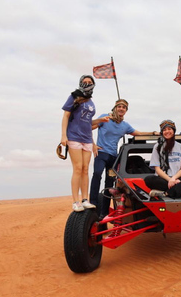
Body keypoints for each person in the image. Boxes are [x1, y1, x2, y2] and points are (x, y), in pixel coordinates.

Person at [90, 99, 159, 218]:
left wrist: (153, 132)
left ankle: (104, 212)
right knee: (97, 174)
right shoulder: (105, 117)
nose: (121, 108)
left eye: (124, 107)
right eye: (119, 106)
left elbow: (139, 133)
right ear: (115, 108)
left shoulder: (125, 125)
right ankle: (93, 204)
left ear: (126, 111)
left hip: (113, 156)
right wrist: (92, 145)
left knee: (109, 183)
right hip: (101, 153)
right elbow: (88, 126)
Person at [61, 75, 108, 212]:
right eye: (84, 82)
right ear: (80, 83)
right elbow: (66, 116)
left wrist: (100, 121)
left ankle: (85, 199)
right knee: (77, 168)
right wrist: (63, 135)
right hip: (74, 137)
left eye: (90, 82)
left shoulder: (91, 102)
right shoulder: (74, 97)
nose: (87, 84)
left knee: (86, 169)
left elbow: (88, 123)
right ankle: (75, 201)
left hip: (87, 139)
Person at [145, 120, 181, 199]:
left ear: (173, 131)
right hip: (163, 179)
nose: (167, 131)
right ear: (162, 132)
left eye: (169, 129)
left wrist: (174, 178)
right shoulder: (157, 147)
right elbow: (157, 169)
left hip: (177, 177)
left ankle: (167, 193)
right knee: (149, 179)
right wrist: (170, 180)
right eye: (164, 130)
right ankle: (180, 189)